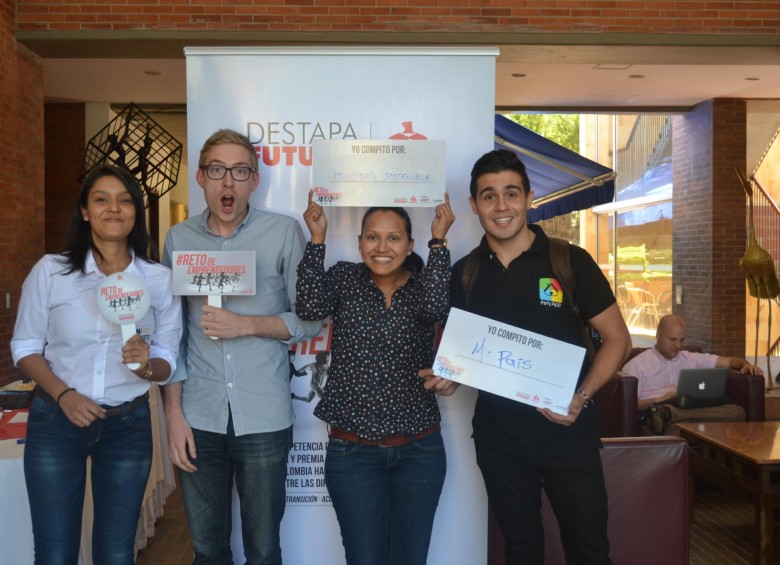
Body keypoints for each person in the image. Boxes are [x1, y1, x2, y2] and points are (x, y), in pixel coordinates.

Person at [420, 149, 632, 565]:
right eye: (489, 196)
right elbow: (469, 353)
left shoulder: (568, 261)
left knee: (589, 552)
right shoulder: (465, 273)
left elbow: (618, 340)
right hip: (500, 443)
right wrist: (451, 376)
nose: (502, 206)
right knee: (520, 552)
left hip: (569, 438)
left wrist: (582, 395)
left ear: (529, 198)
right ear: (474, 205)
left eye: (511, 194)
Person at [161, 129, 322, 565]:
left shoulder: (284, 232)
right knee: (208, 550)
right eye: (217, 170)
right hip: (198, 415)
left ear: (255, 179)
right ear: (200, 177)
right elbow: (168, 335)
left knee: (264, 550)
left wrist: (246, 324)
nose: (227, 182)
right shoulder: (179, 241)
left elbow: (311, 318)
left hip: (264, 416)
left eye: (239, 171)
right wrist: (173, 415)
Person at [11, 165, 182, 564]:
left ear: (136, 212)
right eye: (101, 199)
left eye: (125, 200)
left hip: (128, 426)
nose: (114, 209)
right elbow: (25, 346)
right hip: (56, 421)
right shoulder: (52, 272)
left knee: (117, 552)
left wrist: (146, 367)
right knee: (55, 553)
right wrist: (64, 394)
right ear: (85, 211)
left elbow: (169, 358)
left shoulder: (158, 280)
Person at [295, 190, 455, 565]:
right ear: (359, 242)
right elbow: (309, 307)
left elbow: (436, 309)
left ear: (410, 244)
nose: (382, 247)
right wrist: (317, 238)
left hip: (419, 450)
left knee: (410, 559)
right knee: (364, 559)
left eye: (394, 238)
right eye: (372, 236)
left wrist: (439, 240)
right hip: (352, 453)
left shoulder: (422, 286)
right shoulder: (344, 278)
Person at [623, 313, 762, 434]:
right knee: (674, 428)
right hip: (657, 408)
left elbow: (730, 361)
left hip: (689, 409)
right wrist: (659, 400)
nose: (677, 346)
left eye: (681, 340)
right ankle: (667, 413)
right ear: (658, 335)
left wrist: (746, 365)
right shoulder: (637, 365)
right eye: (672, 339)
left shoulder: (691, 358)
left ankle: (672, 415)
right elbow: (628, 406)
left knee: (737, 412)